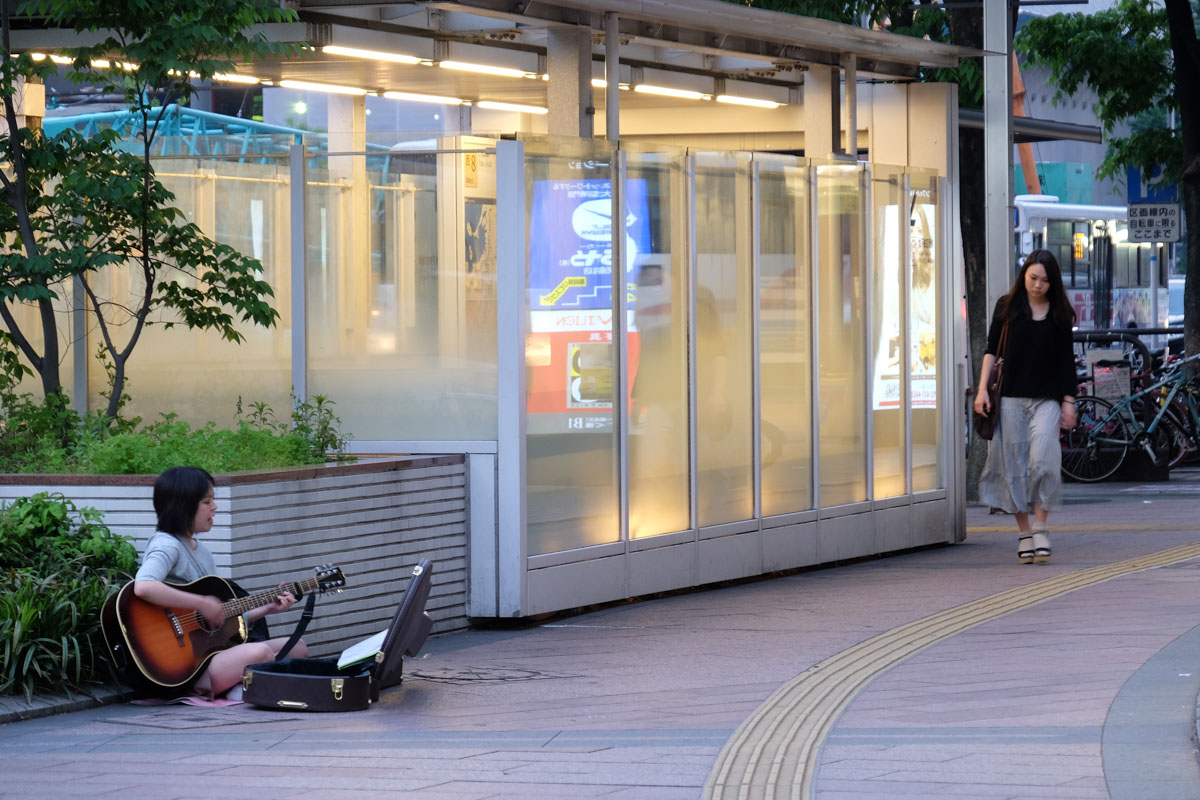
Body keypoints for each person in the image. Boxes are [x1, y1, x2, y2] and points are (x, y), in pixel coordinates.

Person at [133, 466, 308, 697]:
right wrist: (202, 603)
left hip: (209, 652)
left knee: (298, 647)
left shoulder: (202, 552)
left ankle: (240, 684)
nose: (214, 507)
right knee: (261, 653)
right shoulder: (166, 545)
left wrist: (267, 608)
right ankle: (226, 686)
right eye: (207, 501)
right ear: (183, 505)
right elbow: (144, 586)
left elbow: (219, 620)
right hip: (185, 667)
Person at [974, 250, 1078, 564]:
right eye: (1033, 278)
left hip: (1047, 399)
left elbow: (1066, 362)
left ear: (1052, 283)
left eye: (1045, 280)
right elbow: (991, 351)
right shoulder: (1006, 308)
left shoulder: (1060, 313)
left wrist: (1069, 401)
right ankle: (1024, 533)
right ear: (1024, 276)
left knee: (1043, 460)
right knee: (1014, 470)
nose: (1038, 285)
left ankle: (1041, 525)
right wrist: (982, 391)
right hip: (1009, 400)